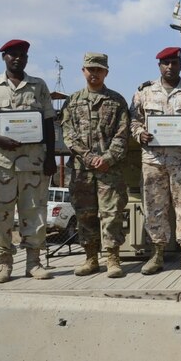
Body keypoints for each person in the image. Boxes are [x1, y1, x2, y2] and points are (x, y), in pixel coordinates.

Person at [0, 39, 56, 283]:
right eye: (12, 55)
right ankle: (3, 264)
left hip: (33, 163)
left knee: (35, 212)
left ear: (27, 58)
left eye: (22, 55)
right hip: (0, 162)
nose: (18, 59)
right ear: (3, 57)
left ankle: (33, 263)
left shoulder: (38, 86)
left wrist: (51, 157)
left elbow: (48, 122)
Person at [130, 46, 181, 276]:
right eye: (165, 63)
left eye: (174, 63)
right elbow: (133, 121)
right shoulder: (144, 92)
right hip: (153, 160)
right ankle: (157, 253)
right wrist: (139, 133)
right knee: (154, 208)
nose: (170, 67)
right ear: (159, 65)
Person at [62, 53, 130, 278]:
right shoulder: (72, 101)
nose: (94, 73)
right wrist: (89, 157)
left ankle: (112, 259)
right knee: (85, 215)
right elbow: (68, 134)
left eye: (99, 69)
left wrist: (108, 158)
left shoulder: (117, 100)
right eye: (90, 69)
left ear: (106, 72)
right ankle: (91, 258)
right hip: (82, 171)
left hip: (110, 170)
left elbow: (123, 134)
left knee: (112, 214)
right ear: (83, 71)